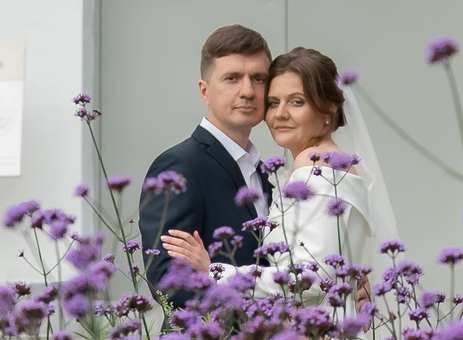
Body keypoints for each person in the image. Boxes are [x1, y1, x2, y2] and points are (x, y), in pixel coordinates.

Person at [159, 46, 392, 295]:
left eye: (296, 102)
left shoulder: (320, 170)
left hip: (316, 329)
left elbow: (314, 276)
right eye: (273, 103)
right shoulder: (291, 172)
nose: (281, 114)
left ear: (328, 107)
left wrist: (215, 272)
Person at [138, 25, 276, 294]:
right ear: (204, 91)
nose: (248, 91)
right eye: (232, 78)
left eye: (259, 78)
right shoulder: (178, 167)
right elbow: (168, 281)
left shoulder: (267, 174)